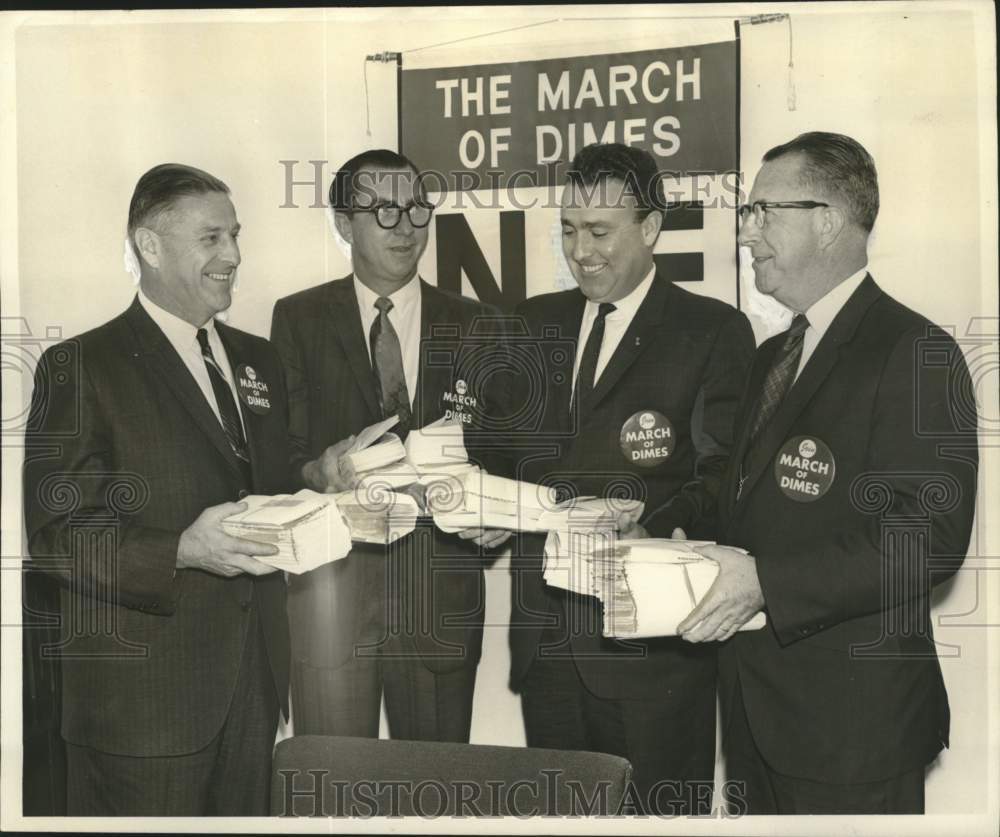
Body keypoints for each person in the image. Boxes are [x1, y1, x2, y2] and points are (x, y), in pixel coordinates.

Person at [678, 132, 979, 814]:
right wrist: (661, 526)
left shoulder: (915, 350)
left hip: (853, 736)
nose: (746, 234)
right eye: (745, 215)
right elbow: (749, 507)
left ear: (828, 219)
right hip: (758, 719)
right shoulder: (773, 354)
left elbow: (925, 539)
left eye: (762, 212)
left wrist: (766, 583)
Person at [22, 164, 291, 815]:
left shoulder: (260, 359)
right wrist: (179, 549)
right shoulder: (81, 366)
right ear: (149, 245)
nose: (233, 255)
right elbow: (57, 537)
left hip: (252, 695)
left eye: (235, 235)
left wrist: (325, 475)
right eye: (211, 238)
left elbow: (268, 489)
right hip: (142, 713)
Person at [499, 142, 755, 814]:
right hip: (546, 648)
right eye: (568, 229)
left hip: (653, 656)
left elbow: (723, 476)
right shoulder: (530, 324)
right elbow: (502, 459)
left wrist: (653, 527)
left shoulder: (714, 331)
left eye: (600, 232)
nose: (580, 251)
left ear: (650, 228)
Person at [270, 149, 502, 743]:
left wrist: (496, 509)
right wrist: (319, 471)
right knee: (332, 790)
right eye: (384, 211)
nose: (406, 227)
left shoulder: (477, 323)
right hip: (332, 601)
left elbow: (502, 454)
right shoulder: (297, 319)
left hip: (439, 601)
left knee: (437, 797)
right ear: (344, 224)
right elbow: (277, 459)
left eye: (417, 209)